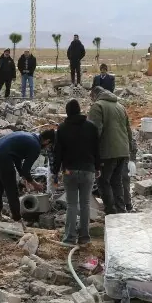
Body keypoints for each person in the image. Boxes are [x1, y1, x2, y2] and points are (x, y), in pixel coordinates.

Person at [52, 100, 100, 245]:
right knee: (85, 203)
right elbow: (96, 149)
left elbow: (57, 153)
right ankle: (84, 237)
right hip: (88, 170)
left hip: (69, 171)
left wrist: (55, 172)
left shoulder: (62, 128)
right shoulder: (91, 127)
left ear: (67, 112)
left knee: (72, 204)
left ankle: (70, 238)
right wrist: (98, 167)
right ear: (80, 110)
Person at [0, 130, 54, 222]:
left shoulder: (30, 137)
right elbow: (26, 170)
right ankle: (17, 219)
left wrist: (23, 177)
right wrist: (35, 184)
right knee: (12, 189)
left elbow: (17, 158)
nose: (47, 148)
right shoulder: (36, 146)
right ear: (47, 141)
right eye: (49, 145)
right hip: (3, 157)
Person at [88, 86, 133, 215]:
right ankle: (120, 210)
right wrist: (129, 150)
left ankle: (111, 212)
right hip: (122, 150)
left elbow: (95, 131)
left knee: (103, 181)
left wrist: (92, 153)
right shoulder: (120, 106)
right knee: (116, 181)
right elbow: (128, 131)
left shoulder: (98, 106)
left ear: (94, 95)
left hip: (107, 151)